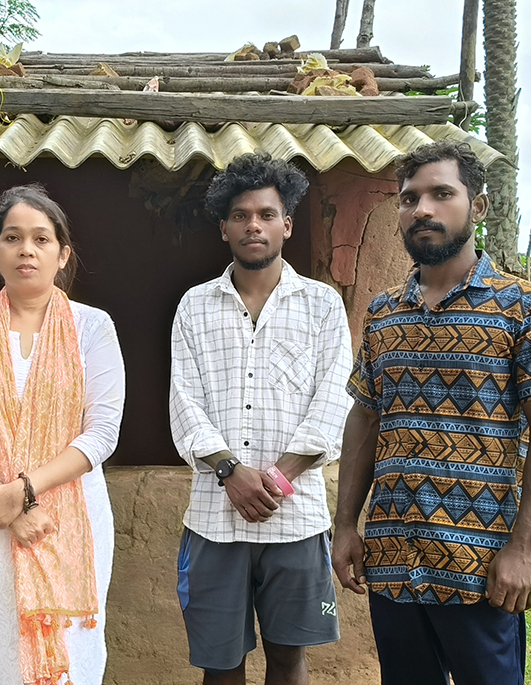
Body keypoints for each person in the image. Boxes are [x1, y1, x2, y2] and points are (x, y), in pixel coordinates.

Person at [334, 140, 530, 684]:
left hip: (482, 566)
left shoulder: (518, 309)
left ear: (479, 207)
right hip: (393, 558)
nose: (422, 209)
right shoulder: (381, 313)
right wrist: (345, 524)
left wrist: (524, 549)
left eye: (442, 194)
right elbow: (365, 420)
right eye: (409, 198)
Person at [0, 184, 126, 685]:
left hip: (65, 521)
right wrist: (3, 502)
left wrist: (23, 493)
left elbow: (101, 434)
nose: (26, 250)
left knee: (70, 659)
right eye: (12, 238)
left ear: (63, 255)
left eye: (41, 239)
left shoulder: (92, 327)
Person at [169, 153, 353, 684]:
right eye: (242, 215)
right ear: (223, 227)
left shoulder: (321, 305)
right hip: (213, 520)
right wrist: (231, 471)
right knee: (219, 665)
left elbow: (334, 401)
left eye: (267, 214)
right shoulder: (194, 306)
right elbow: (185, 402)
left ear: (287, 225)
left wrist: (275, 478)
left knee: (289, 658)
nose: (254, 224)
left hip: (296, 521)